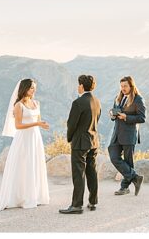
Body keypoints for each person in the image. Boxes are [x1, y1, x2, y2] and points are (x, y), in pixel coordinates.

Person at [0, 78, 51, 211]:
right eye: (31, 88)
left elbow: (38, 119)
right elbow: (18, 125)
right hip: (23, 139)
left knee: (34, 164)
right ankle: (20, 197)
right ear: (25, 89)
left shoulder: (36, 103)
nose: (34, 90)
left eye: (35, 88)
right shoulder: (18, 105)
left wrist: (42, 124)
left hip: (35, 137)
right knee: (23, 166)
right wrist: (37, 124)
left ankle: (35, 195)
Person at [60, 74, 102, 214]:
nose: (77, 87)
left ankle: (77, 205)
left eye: (78, 84)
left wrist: (69, 138)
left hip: (80, 142)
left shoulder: (78, 103)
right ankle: (93, 201)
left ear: (82, 86)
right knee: (92, 172)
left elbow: (71, 124)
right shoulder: (97, 101)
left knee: (78, 174)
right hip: (94, 141)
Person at [109, 75, 146, 196]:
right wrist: (112, 114)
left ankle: (124, 187)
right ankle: (135, 177)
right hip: (117, 134)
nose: (123, 88)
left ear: (131, 86)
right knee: (114, 156)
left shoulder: (138, 99)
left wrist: (127, 117)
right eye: (121, 86)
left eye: (125, 86)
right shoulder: (118, 97)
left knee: (128, 162)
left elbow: (142, 118)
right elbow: (115, 112)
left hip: (129, 135)